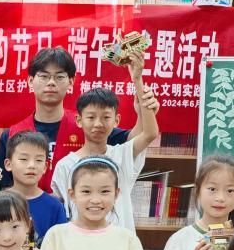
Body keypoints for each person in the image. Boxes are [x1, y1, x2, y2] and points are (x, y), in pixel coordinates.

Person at [0, 47, 155, 192]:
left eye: (59, 76)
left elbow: (135, 141)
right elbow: (4, 186)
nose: (51, 82)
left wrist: (144, 110)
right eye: (44, 76)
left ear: (71, 81)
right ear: (30, 80)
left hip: (80, 211)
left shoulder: (87, 124)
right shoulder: (11, 135)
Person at [50, 51, 159, 232]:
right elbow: (61, 213)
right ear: (79, 120)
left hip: (119, 247)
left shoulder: (122, 155)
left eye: (106, 117)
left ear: (116, 120)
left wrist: (137, 79)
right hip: (80, 245)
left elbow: (150, 133)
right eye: (91, 117)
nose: (98, 124)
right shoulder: (65, 165)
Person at [4, 130, 67, 250]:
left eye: (38, 160)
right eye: (24, 159)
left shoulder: (55, 206)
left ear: (45, 167)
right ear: (8, 164)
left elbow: (60, 246)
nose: (32, 165)